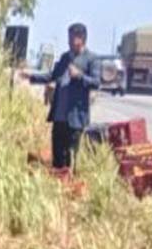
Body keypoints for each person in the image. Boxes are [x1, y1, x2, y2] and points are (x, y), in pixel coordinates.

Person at [22, 23, 100, 170]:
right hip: (59, 116)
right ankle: (57, 185)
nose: (69, 42)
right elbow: (52, 76)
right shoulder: (65, 57)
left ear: (82, 38)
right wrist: (31, 77)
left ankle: (70, 187)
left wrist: (79, 76)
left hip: (75, 119)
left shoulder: (91, 59)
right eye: (68, 38)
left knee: (71, 159)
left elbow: (96, 82)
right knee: (57, 157)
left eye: (72, 39)